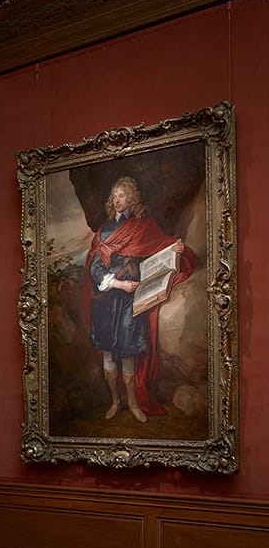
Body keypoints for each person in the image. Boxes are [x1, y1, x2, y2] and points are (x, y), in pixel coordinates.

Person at [85, 175, 196, 423]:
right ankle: (116, 402)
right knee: (108, 354)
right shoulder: (104, 232)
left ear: (132, 198)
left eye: (122, 195)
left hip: (130, 301)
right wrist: (119, 284)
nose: (117, 200)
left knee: (128, 352)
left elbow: (160, 247)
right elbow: (95, 268)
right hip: (106, 301)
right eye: (114, 196)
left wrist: (176, 248)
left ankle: (134, 403)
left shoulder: (144, 226)